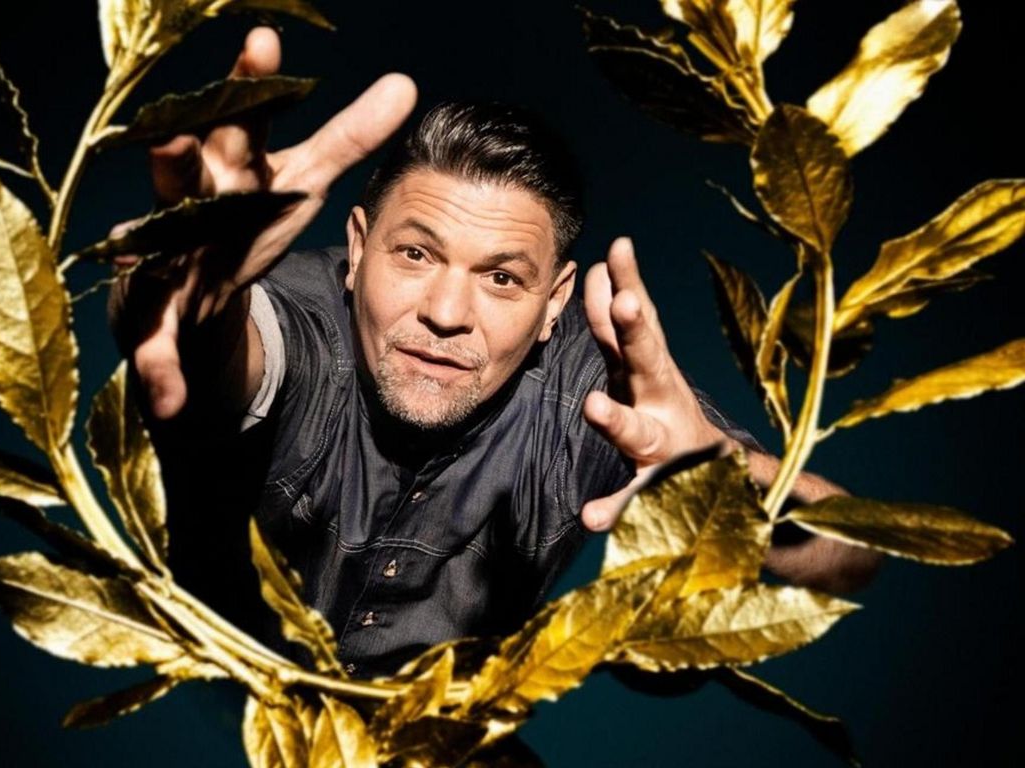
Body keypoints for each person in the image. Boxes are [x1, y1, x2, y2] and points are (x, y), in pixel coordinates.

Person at [112, 28, 879, 678]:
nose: (446, 314)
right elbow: (234, 358)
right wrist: (193, 306)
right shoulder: (299, 313)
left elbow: (855, 554)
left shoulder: (594, 399)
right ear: (358, 248)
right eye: (415, 254)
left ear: (555, 302)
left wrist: (720, 475)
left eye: (502, 278)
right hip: (199, 682)